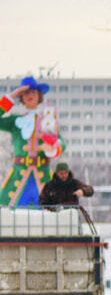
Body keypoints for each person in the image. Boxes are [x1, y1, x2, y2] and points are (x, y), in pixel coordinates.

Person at [0, 77, 64, 207]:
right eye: (26, 93)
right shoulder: (15, 121)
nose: (30, 96)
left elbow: (61, 142)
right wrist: (12, 96)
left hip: (43, 176)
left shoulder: (47, 120)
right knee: (13, 215)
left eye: (33, 92)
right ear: (21, 97)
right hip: (18, 176)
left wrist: (53, 148)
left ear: (39, 96)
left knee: (48, 215)